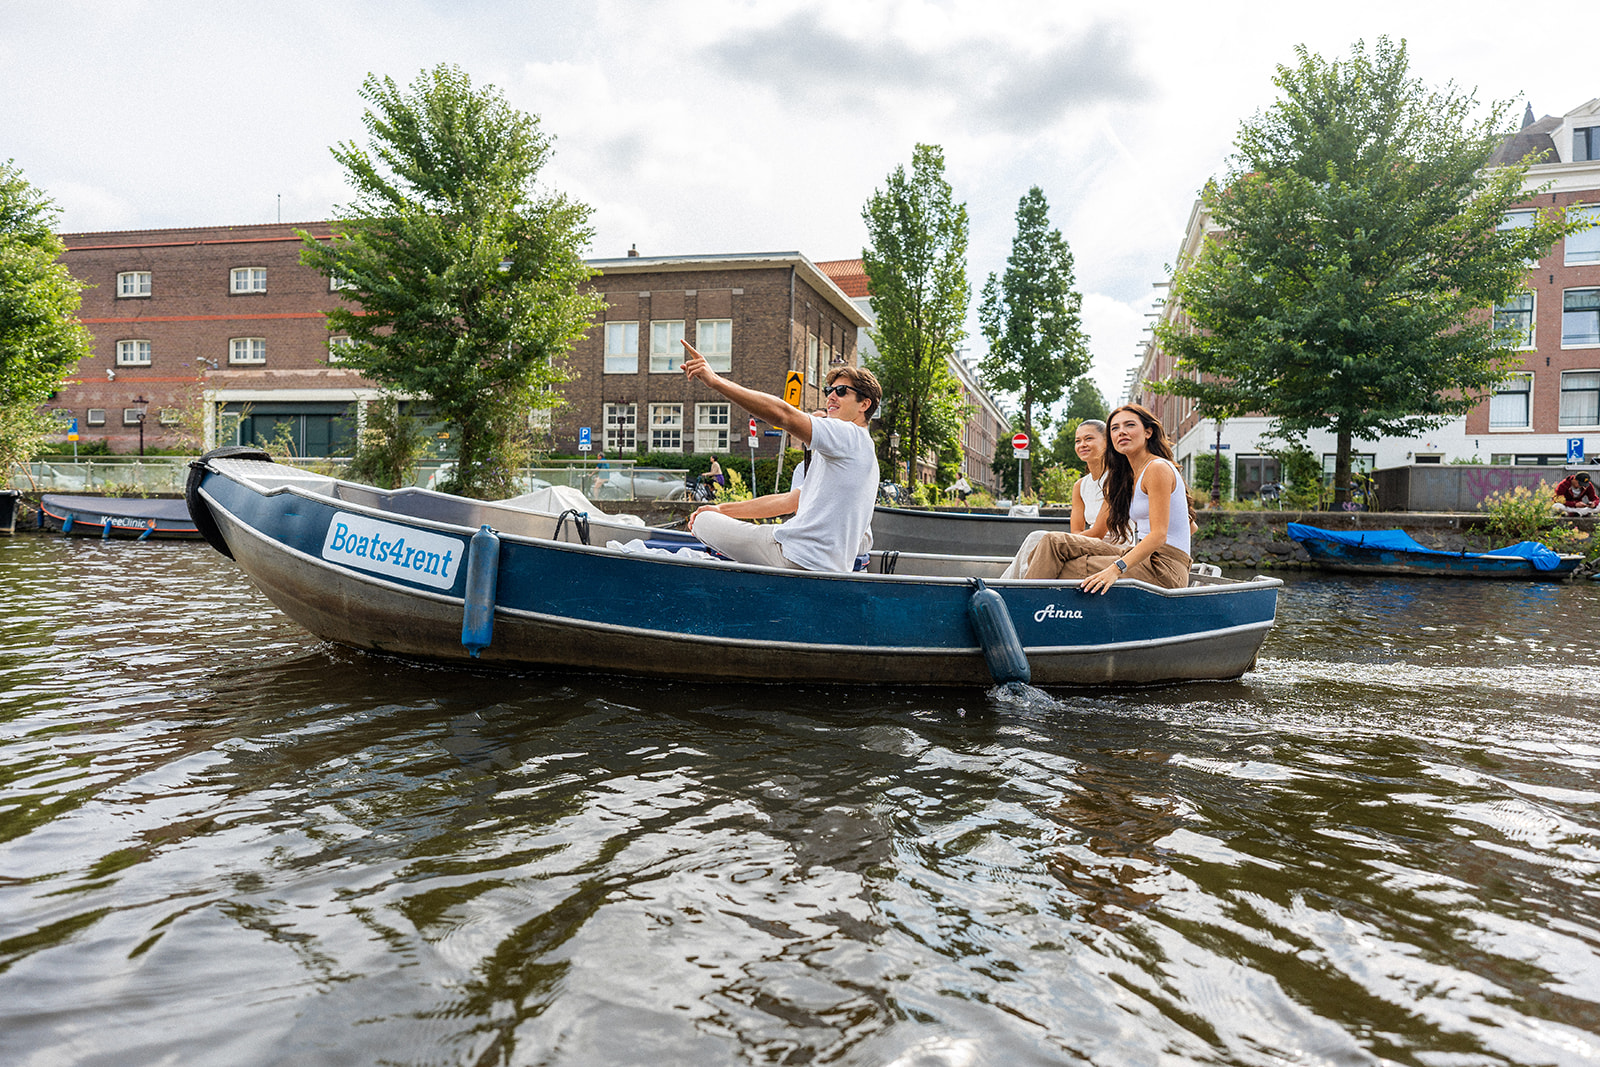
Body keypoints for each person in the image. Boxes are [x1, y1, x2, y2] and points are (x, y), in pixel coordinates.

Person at [681, 339, 880, 571]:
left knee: (702, 522)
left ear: (864, 404)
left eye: (842, 391)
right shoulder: (864, 454)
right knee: (724, 519)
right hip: (828, 566)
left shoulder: (848, 434)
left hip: (793, 554)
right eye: (829, 391)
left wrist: (715, 381)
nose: (831, 397)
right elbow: (788, 501)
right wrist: (722, 509)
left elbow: (783, 415)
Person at [1023, 403, 1193, 591]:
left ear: (1148, 432)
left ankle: (1022, 611)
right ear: (1110, 438)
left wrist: (1116, 568)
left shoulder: (1157, 468)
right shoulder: (1131, 474)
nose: (1121, 432)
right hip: (1143, 557)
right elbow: (1190, 525)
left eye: (1129, 425)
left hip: (1163, 569)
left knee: (1062, 568)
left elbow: (1159, 535)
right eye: (1115, 428)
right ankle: (1024, 604)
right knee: (1052, 542)